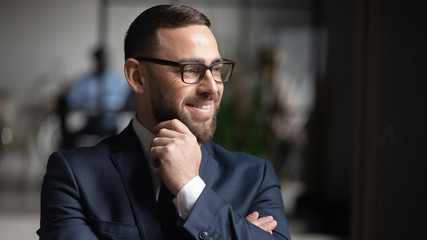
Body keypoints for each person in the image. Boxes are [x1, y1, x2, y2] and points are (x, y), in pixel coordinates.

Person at [37, 5, 291, 240]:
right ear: (137, 77)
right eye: (191, 69)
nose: (213, 87)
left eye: (216, 68)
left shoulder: (255, 177)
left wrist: (190, 190)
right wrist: (238, 231)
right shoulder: (73, 176)